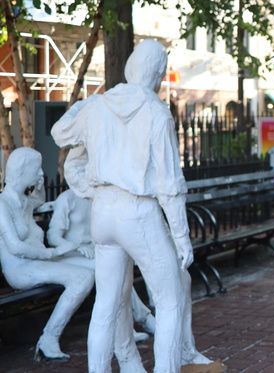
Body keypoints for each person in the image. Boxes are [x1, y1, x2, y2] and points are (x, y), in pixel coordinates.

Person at [52, 40, 205, 373]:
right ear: (159, 74)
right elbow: (170, 185)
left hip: (103, 213)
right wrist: (181, 237)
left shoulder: (98, 106)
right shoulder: (156, 112)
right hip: (138, 212)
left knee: (105, 304)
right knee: (170, 299)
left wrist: (87, 103)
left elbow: (60, 133)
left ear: (129, 67)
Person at [0, 147, 92, 361]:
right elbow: (15, 247)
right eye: (36, 169)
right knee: (82, 277)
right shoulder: (3, 205)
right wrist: (54, 252)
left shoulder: (24, 202)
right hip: (21, 268)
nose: (41, 173)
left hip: (39, 261)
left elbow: (39, 200)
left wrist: (38, 186)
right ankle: (49, 338)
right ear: (21, 171)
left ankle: (126, 326)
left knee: (102, 265)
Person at [47, 187, 157, 338]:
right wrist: (77, 247)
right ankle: (142, 320)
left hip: (94, 255)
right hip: (70, 257)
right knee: (111, 271)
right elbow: (53, 236)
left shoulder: (97, 197)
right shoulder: (67, 199)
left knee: (119, 269)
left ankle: (127, 329)